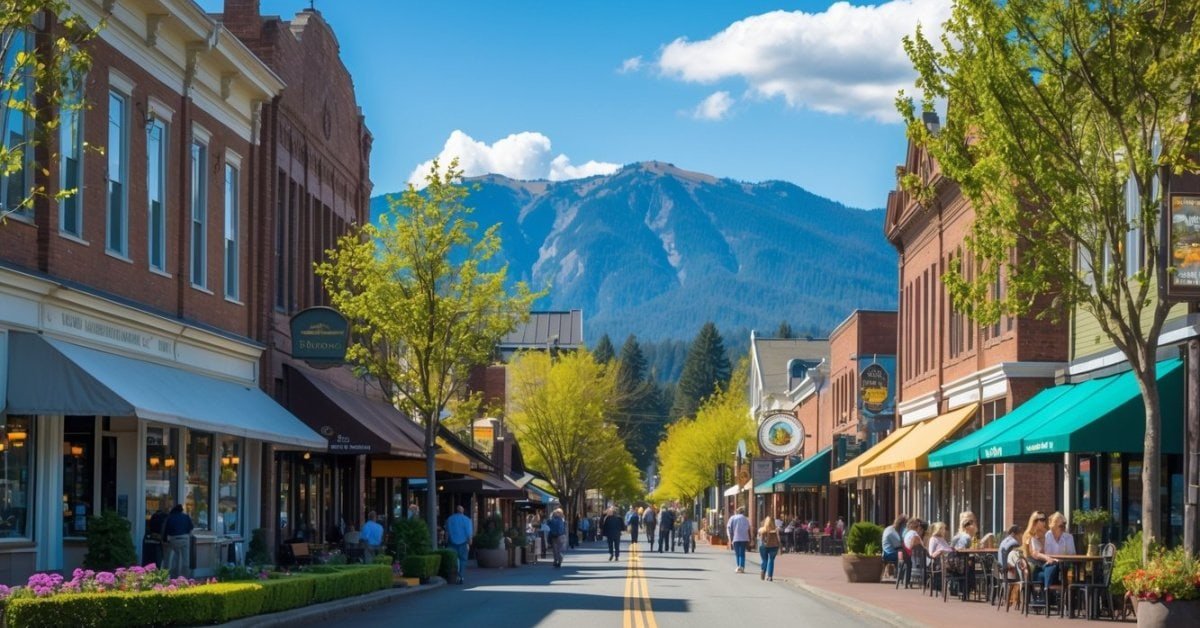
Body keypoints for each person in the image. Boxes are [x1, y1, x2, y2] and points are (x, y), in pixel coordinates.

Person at [1022, 510, 1059, 594]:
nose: (1044, 522)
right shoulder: (1029, 535)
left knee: (1055, 567)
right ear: (1035, 521)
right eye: (1041, 520)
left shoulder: (1046, 533)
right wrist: (1047, 557)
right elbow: (1034, 553)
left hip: (1043, 565)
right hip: (1034, 568)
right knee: (1052, 568)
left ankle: (1048, 593)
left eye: (1044, 519)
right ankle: (1047, 593)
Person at [163, 504, 193, 578]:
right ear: (181, 510)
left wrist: (165, 541)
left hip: (173, 539)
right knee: (185, 560)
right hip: (185, 539)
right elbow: (190, 529)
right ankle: (185, 577)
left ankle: (173, 575)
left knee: (173, 557)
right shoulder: (186, 516)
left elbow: (166, 531)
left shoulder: (170, 517)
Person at [445, 505, 473, 584]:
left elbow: (447, 532)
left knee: (452, 559)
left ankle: (453, 575)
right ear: (463, 511)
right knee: (463, 560)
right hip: (463, 543)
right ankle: (461, 576)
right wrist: (470, 541)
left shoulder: (450, 519)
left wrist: (446, 541)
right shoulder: (467, 520)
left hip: (452, 542)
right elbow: (469, 532)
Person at [727, 506, 751, 573]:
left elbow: (729, 528)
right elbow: (748, 529)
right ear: (743, 512)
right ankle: (742, 566)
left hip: (735, 538)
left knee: (737, 553)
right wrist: (750, 538)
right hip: (744, 538)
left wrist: (730, 538)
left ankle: (738, 566)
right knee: (742, 553)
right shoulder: (746, 519)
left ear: (737, 512)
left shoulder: (732, 518)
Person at [758, 516, 781, 581]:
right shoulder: (776, 529)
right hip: (774, 546)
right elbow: (778, 538)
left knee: (764, 560)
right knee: (771, 560)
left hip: (764, 546)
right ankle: (770, 576)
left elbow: (760, 538)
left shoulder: (762, 529)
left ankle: (763, 569)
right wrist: (779, 545)